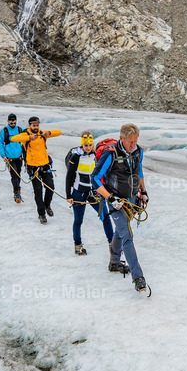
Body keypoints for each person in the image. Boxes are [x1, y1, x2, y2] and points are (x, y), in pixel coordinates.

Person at [92, 123, 149, 293]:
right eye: (130, 142)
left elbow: (138, 171)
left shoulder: (138, 151)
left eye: (135, 141)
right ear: (121, 139)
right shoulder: (111, 154)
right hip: (115, 199)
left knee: (120, 231)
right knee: (127, 235)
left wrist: (143, 191)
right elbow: (95, 178)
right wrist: (110, 197)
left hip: (131, 198)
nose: (133, 145)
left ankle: (114, 263)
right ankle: (138, 277)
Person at [65, 132, 114, 255]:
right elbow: (69, 176)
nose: (88, 147)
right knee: (78, 220)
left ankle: (112, 244)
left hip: (93, 192)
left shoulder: (94, 155)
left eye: (90, 145)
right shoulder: (75, 157)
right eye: (86, 145)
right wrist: (68, 195)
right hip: (79, 192)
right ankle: (78, 245)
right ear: (82, 144)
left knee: (105, 216)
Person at [11, 117, 62, 224]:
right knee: (38, 191)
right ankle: (42, 214)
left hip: (45, 165)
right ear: (29, 125)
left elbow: (59, 132)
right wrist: (29, 137)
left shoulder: (41, 134)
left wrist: (48, 133)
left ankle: (47, 205)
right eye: (34, 125)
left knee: (50, 187)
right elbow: (14, 138)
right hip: (33, 168)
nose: (36, 127)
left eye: (37, 125)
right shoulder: (26, 135)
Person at [0, 113, 25, 203]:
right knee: (14, 175)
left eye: (14, 121)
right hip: (9, 158)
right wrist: (3, 155)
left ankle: (17, 189)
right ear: (8, 121)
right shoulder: (4, 131)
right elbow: (0, 143)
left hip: (19, 157)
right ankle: (16, 193)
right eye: (11, 121)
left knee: (18, 174)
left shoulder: (20, 130)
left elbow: (25, 142)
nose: (12, 123)